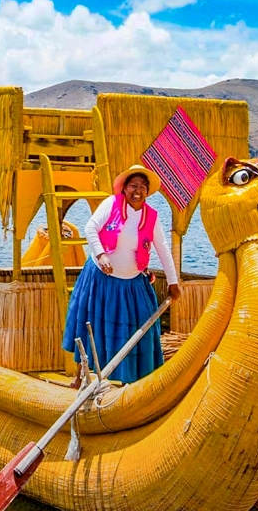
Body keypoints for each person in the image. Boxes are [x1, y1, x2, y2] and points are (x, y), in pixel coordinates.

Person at [63, 165, 181, 387]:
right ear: (125, 188)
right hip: (100, 280)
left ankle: (133, 382)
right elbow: (90, 228)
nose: (138, 191)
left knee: (137, 331)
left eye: (143, 187)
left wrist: (173, 282)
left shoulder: (151, 217)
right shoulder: (112, 204)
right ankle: (80, 376)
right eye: (133, 186)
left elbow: (163, 248)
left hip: (131, 285)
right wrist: (101, 256)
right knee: (92, 324)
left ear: (147, 192)